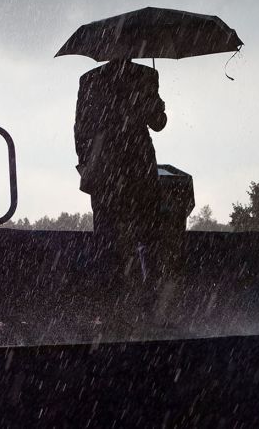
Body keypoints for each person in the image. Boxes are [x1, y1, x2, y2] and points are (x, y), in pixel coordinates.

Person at [74, 59, 167, 321]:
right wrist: (157, 108)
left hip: (105, 165)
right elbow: (158, 123)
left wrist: (86, 162)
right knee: (147, 236)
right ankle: (148, 302)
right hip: (139, 164)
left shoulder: (90, 79)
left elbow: (80, 128)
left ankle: (110, 305)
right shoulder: (146, 75)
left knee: (106, 236)